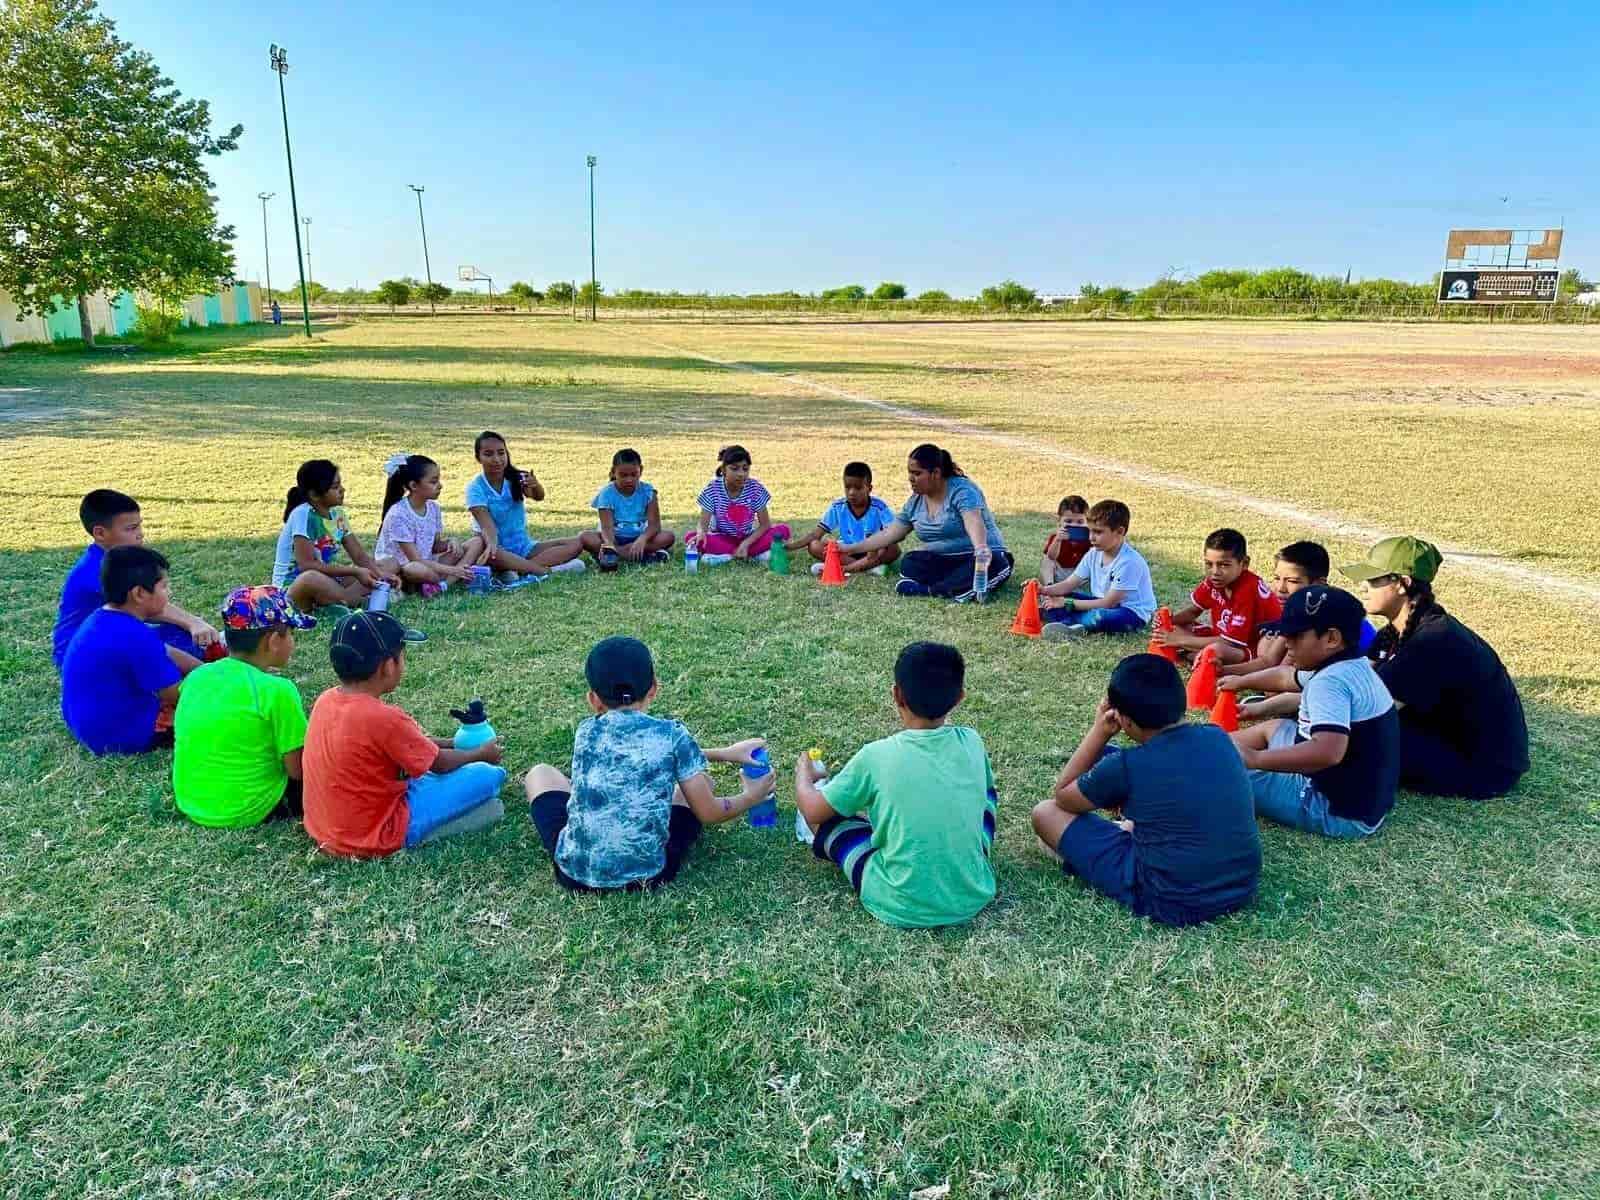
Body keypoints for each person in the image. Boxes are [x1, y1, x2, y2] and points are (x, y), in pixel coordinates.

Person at [524, 636, 776, 891]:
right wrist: (751, 797)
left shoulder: (587, 731)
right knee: (700, 787)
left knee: (540, 774)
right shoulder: (672, 736)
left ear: (593, 699)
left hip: (575, 873)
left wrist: (724, 753)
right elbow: (709, 812)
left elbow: (650, 751)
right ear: (654, 688)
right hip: (647, 875)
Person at [1030, 654, 1260, 926]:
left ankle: (1093, 852)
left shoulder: (1128, 765)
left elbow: (1062, 797)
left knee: (1044, 813)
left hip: (1170, 899)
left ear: (1124, 720)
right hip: (1242, 886)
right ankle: (1127, 830)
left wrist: (1099, 731)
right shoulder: (1219, 737)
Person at [793, 642, 998, 929]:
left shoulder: (875, 756)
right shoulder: (972, 741)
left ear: (896, 694)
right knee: (987, 796)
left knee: (830, 823)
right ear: (960, 697)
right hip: (973, 893)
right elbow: (985, 794)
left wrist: (803, 776)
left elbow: (813, 811)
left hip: (897, 900)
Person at [302, 611, 507, 857]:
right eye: (403, 656)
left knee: (427, 777)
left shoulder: (326, 700)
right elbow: (440, 764)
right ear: (389, 666)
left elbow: (409, 747)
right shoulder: (383, 717)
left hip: (326, 829)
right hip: (374, 834)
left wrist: (454, 743)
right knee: (488, 776)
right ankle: (431, 830)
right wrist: (482, 754)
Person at [1345, 536, 1528, 799]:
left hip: (1482, 770)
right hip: (1448, 740)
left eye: (1374, 580)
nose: (1363, 586)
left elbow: (1367, 712)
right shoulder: (1400, 628)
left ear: (1402, 584)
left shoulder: (1433, 639)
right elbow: (1353, 679)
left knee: (1353, 739)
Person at [1228, 585, 1399, 839]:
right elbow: (1285, 678)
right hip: (1362, 799)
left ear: (1331, 638)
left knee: (1222, 774)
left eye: (1295, 636)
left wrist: (1255, 759)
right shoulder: (1352, 665)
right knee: (1274, 727)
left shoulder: (1330, 682)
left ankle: (1205, 757)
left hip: (1334, 809)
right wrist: (1241, 681)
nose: (1286, 643)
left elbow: (1327, 752)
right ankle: (1209, 747)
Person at [173, 586, 314, 828]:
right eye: (291, 634)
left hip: (191, 802)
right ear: (273, 641)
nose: (293, 642)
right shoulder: (277, 690)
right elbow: (298, 772)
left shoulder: (198, 677)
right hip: (250, 809)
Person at [53, 489, 219, 673]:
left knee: (182, 637)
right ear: (100, 533)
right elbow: (149, 610)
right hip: (83, 655)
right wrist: (194, 624)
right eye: (131, 529)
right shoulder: (98, 571)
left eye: (139, 526)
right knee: (180, 647)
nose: (140, 534)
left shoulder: (115, 560)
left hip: (107, 640)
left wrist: (192, 623)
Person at [836, 443, 1013, 601]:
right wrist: (850, 548)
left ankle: (937, 589)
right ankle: (956, 588)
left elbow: (972, 519)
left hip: (978, 557)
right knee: (910, 561)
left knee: (998, 563)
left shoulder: (962, 490)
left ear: (935, 473)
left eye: (917, 473)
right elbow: (889, 533)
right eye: (910, 473)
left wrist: (981, 548)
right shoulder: (915, 502)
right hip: (945, 560)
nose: (911, 479)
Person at [60, 546, 184, 756]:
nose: (169, 593)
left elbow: (163, 650)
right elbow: (176, 694)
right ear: (139, 593)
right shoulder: (135, 636)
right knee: (215, 713)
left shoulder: (101, 619)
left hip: (87, 725)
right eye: (164, 586)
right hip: (122, 735)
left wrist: (204, 667)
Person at [466, 430, 598, 580]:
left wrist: (535, 485)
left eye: (501, 453)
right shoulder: (475, 488)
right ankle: (545, 572)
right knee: (491, 553)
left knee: (575, 543)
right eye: (488, 454)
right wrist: (492, 546)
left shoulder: (516, 478)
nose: (497, 459)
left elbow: (539, 497)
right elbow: (486, 525)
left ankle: (518, 569)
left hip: (524, 547)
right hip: (496, 547)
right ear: (478, 458)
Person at [273, 459, 399, 615]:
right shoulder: (303, 515)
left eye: (340, 485)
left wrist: (380, 574)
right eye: (335, 487)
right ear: (314, 495)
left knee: (390, 563)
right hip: (294, 587)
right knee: (310, 578)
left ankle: (337, 600)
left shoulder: (337, 514)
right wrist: (355, 572)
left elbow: (359, 556)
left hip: (328, 580)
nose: (342, 490)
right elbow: (306, 565)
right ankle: (353, 599)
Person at [1154, 529, 1282, 666]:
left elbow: (1230, 642)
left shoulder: (1248, 590)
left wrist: (1179, 640)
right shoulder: (1216, 580)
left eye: (1224, 565)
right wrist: (1168, 623)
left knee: (1216, 650)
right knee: (1176, 628)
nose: (1215, 572)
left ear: (1244, 563)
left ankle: (1195, 656)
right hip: (1223, 637)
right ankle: (1194, 655)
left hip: (1252, 647)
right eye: (1209, 564)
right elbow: (1194, 611)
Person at [1037, 499, 1157, 640]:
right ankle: (1071, 623)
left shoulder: (1129, 562)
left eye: (1098, 532)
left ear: (1120, 531)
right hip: (1099, 602)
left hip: (1130, 612)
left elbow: (1108, 603)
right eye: (1090, 531)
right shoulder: (1094, 553)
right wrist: (1043, 590)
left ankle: (1067, 623)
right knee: (1061, 597)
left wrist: (1066, 603)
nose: (1091, 538)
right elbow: (1070, 583)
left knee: (1100, 616)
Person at [374, 453, 483, 596]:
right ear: (413, 485)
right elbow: (415, 559)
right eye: (433, 481)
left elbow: (434, 546)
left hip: (429, 562)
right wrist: (453, 570)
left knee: (477, 542)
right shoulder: (398, 514)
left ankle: (442, 585)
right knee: (414, 569)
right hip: (404, 567)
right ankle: (445, 578)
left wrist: (450, 542)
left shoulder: (433, 508)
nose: (440, 485)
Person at [784, 461, 899, 576]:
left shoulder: (879, 507)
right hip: (847, 551)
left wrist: (877, 546)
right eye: (847, 487)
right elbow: (816, 535)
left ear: (869, 488)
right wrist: (791, 546)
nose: (852, 492)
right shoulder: (838, 507)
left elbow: (891, 534)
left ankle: (842, 568)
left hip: (872, 551)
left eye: (858, 488)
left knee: (893, 548)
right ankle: (866, 568)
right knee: (814, 545)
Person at [686, 444, 791, 565]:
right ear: (724, 470)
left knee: (783, 530)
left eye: (745, 469)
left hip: (749, 538)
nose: (741, 474)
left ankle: (727, 556)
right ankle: (753, 555)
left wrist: (745, 544)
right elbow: (703, 524)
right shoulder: (713, 489)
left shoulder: (755, 488)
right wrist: (701, 534)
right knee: (691, 537)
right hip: (722, 537)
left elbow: (765, 525)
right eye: (734, 469)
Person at [591, 448, 675, 567]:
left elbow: (654, 525)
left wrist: (642, 540)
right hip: (614, 538)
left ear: (641, 470)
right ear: (614, 472)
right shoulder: (606, 493)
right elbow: (606, 527)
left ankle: (615, 555)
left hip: (640, 537)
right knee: (585, 538)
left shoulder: (648, 491)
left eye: (634, 474)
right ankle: (644, 556)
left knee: (668, 537)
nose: (629, 480)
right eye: (623, 475)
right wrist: (609, 544)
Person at [1039, 494, 1091, 587]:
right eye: (1068, 521)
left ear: (1087, 521)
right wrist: (1058, 540)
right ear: (1059, 521)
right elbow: (1051, 556)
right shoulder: (1056, 537)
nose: (1074, 525)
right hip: (1060, 572)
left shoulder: (1090, 537)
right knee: (1046, 560)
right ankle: (1049, 585)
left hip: (1081, 575)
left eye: (1080, 522)